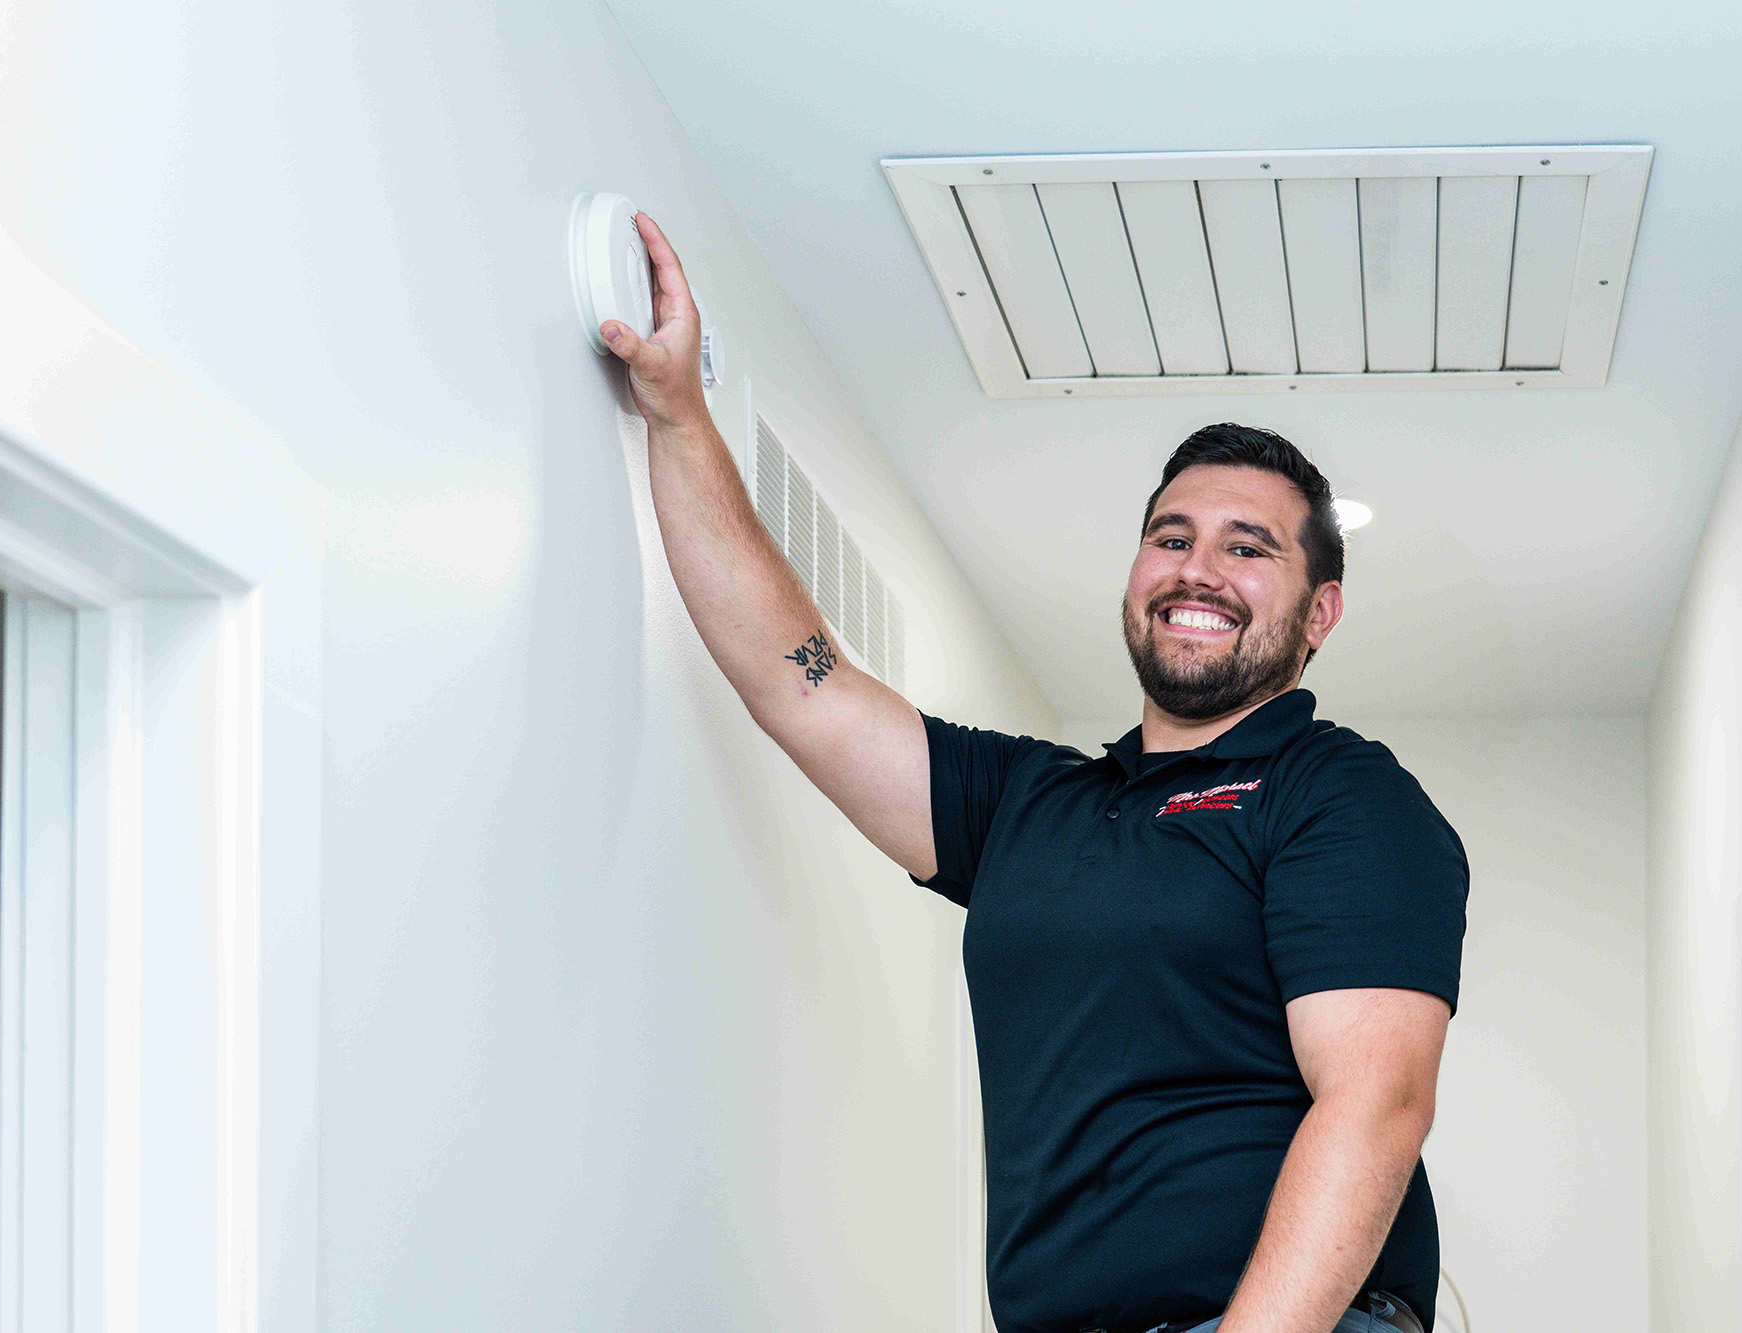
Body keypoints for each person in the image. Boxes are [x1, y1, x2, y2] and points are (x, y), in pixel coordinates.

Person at [601, 210, 1468, 1333]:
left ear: (1319, 613)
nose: (1195, 568)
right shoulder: (1027, 801)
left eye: (1247, 547)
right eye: (1170, 535)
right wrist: (678, 418)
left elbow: (1377, 1101)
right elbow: (799, 688)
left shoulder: (1337, 793)